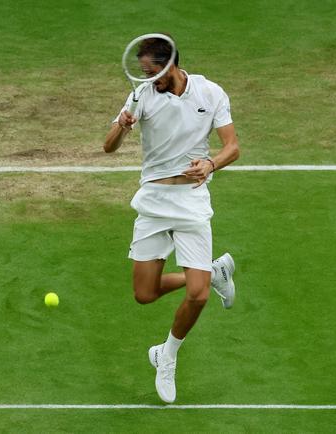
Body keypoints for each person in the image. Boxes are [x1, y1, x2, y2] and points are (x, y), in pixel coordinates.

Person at [103, 35, 240, 404]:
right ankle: (214, 273)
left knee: (196, 296)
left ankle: (168, 354)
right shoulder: (141, 96)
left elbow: (233, 146)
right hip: (153, 202)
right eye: (144, 73)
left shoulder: (211, 93)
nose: (148, 79)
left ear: (171, 65)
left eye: (153, 72)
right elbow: (108, 146)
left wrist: (211, 163)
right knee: (144, 294)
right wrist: (123, 126)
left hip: (192, 203)